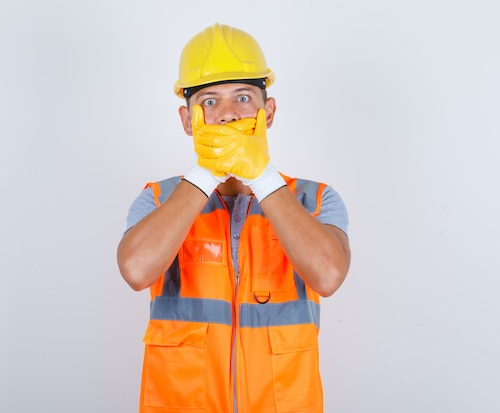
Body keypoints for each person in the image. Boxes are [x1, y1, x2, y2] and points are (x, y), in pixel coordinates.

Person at [117, 22, 351, 413]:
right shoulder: (158, 199)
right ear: (187, 119)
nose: (226, 114)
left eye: (243, 97)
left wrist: (261, 177)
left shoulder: (315, 199)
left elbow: (328, 276)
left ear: (268, 111)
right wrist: (206, 174)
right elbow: (136, 270)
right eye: (209, 101)